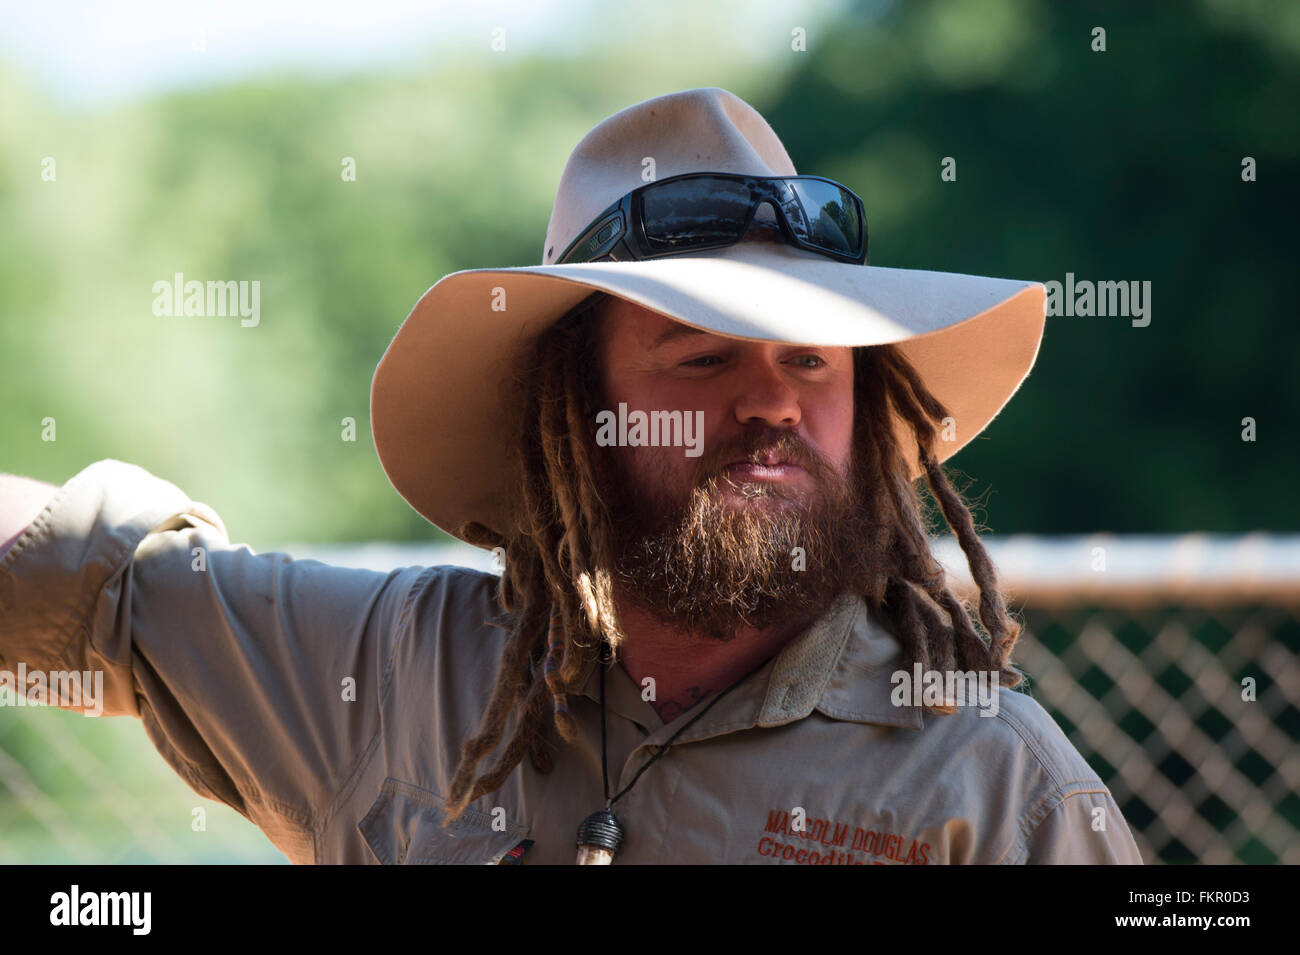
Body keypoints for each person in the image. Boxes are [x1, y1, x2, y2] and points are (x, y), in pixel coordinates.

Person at [0, 87, 1143, 865]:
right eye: (700, 357)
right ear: (572, 414)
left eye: (812, 361)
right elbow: (83, 585)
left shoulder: (999, 791)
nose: (772, 405)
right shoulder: (389, 672)